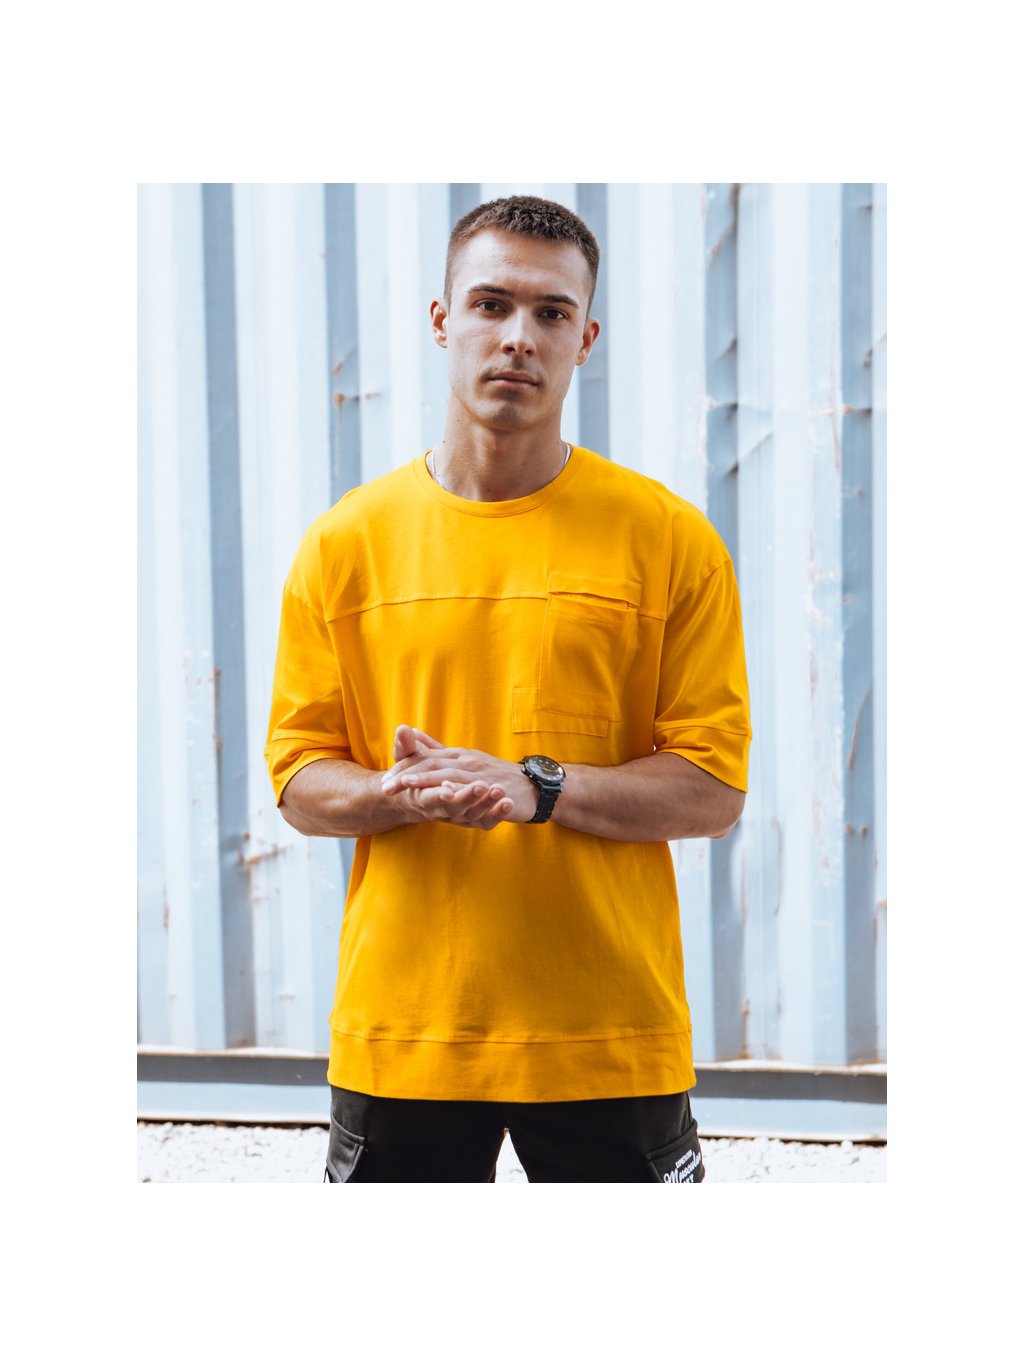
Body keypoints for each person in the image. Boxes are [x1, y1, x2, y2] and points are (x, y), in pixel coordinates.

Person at [265, 194, 751, 1183]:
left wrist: (540, 787)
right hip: (405, 1034)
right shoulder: (345, 545)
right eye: (491, 304)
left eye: (551, 312)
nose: (518, 336)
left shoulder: (668, 541)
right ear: (443, 320)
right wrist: (393, 793)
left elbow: (711, 789)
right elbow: (298, 781)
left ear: (585, 339)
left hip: (606, 1032)